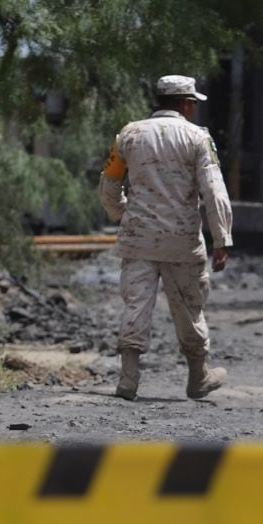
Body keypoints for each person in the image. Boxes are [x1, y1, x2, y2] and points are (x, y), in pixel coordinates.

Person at [99, 74, 232, 402]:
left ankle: (128, 379)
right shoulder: (198, 138)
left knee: (136, 303)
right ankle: (198, 377)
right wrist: (222, 238)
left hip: (138, 237)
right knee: (189, 307)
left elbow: (108, 185)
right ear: (186, 104)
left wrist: (121, 214)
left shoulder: (128, 134)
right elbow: (214, 190)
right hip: (182, 241)